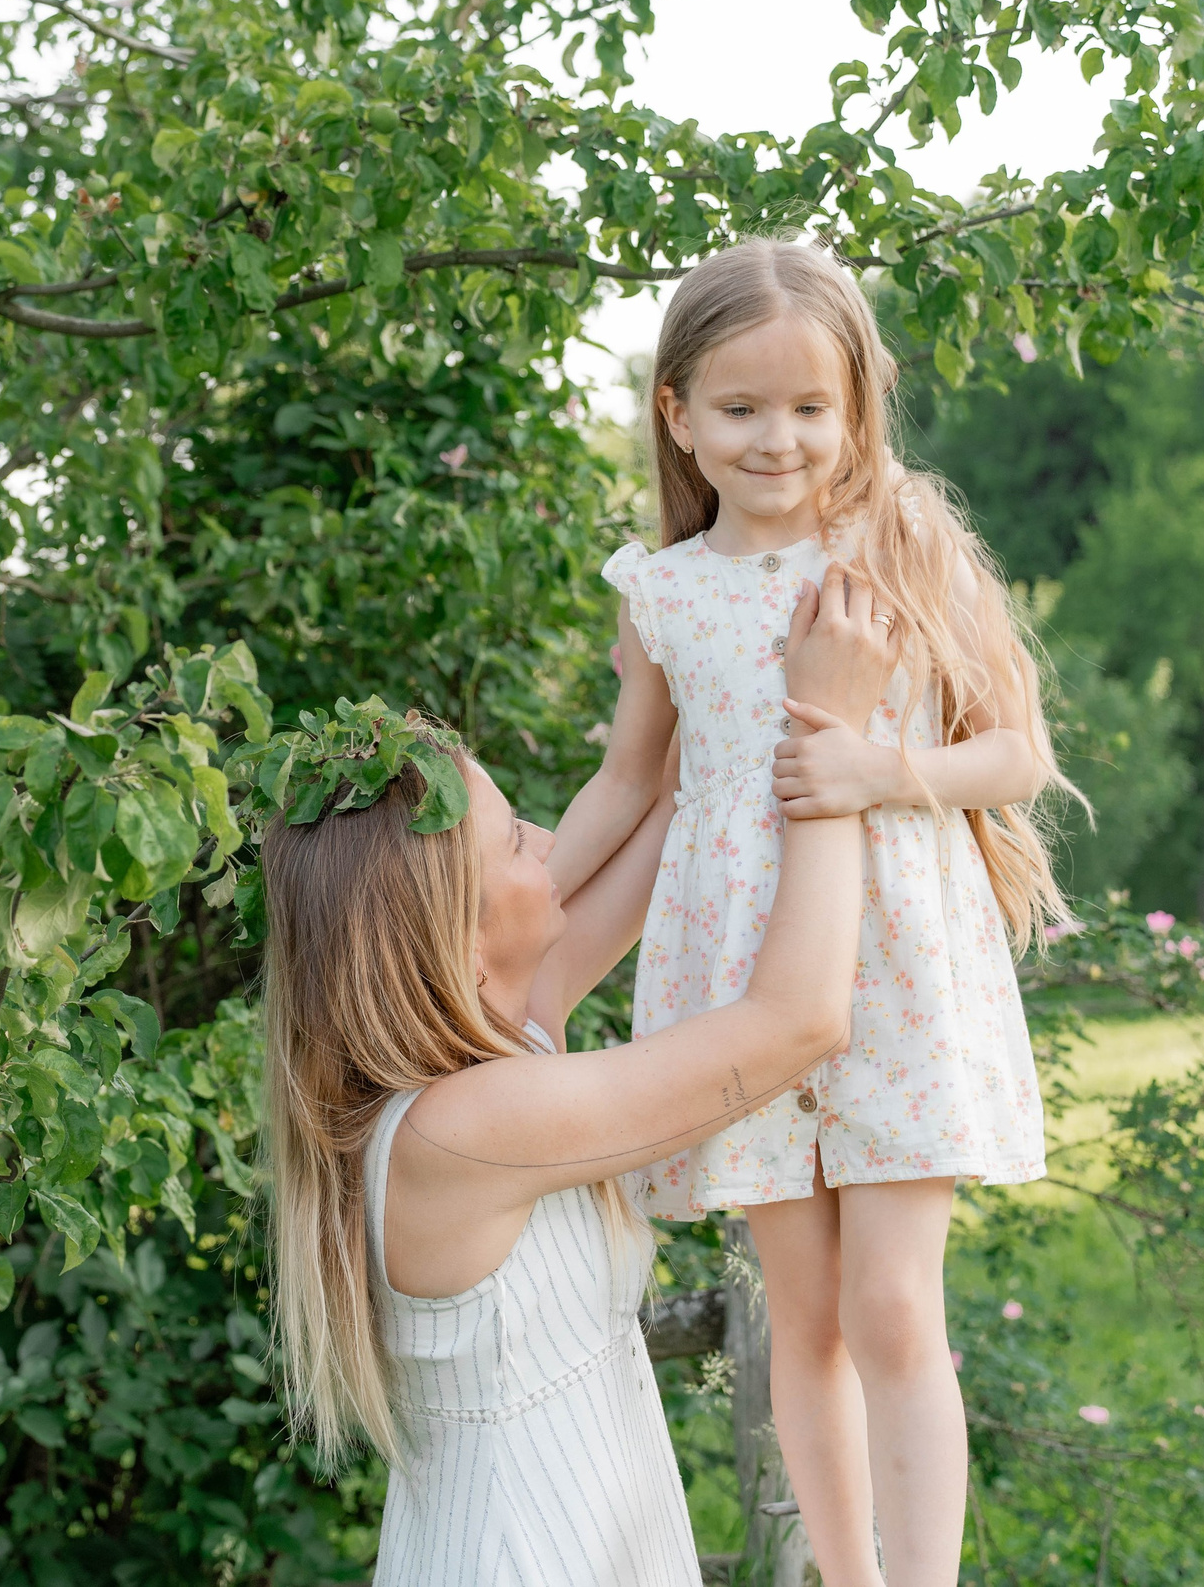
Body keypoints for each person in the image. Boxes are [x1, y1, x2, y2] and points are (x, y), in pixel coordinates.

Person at [545, 238, 1072, 1587]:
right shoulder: (662, 591)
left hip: (897, 953)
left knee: (898, 1303)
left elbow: (1013, 754)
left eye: (807, 408)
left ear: (854, 407)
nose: (776, 439)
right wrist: (523, 910)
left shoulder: (900, 545)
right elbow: (629, 780)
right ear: (676, 413)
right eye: (739, 408)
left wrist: (884, 771)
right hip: (735, 965)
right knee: (808, 1312)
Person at [262, 566, 894, 1586]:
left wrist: (700, 652)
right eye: (515, 840)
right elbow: (798, 1018)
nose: (550, 846)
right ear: (454, 944)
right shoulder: (470, 1124)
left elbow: (669, 806)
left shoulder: (499, 1047)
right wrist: (833, 741)